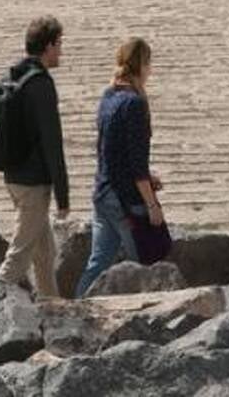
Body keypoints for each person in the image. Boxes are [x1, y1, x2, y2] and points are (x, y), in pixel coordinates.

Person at [0, 16, 70, 298]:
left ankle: (51, 307)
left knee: (44, 252)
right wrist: (63, 197)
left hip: (13, 178)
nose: (61, 51)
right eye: (59, 44)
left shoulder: (12, 77)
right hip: (34, 183)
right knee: (19, 257)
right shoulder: (40, 85)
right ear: (47, 46)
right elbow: (53, 142)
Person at [74, 38, 165, 297]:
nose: (151, 70)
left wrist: (147, 176)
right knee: (146, 265)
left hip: (102, 193)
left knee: (97, 263)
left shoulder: (109, 95)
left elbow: (110, 150)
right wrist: (152, 205)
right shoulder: (134, 104)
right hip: (125, 200)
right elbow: (137, 165)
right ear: (141, 65)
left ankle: (75, 309)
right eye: (149, 64)